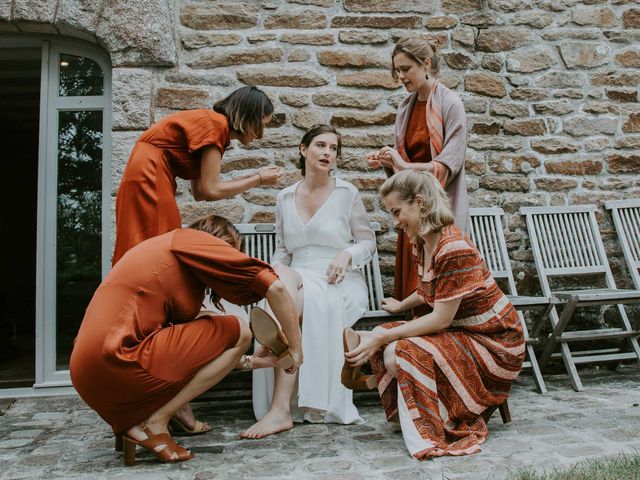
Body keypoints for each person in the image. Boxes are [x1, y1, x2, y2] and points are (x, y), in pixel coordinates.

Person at [70, 215, 302, 465]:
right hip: (118, 359)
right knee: (240, 329)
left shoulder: (168, 261)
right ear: (221, 243)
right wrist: (296, 350)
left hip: (88, 376)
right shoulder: (193, 240)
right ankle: (155, 422)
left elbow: (197, 353)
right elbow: (276, 288)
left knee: (216, 323)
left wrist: (251, 361)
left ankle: (140, 425)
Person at [344, 170, 524, 460]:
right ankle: (375, 350)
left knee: (399, 349)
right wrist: (401, 306)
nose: (395, 222)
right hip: (466, 333)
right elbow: (432, 289)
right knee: (390, 339)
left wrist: (384, 335)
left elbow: (441, 319)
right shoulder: (423, 243)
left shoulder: (452, 248)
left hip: (495, 344)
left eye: (397, 212)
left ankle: (429, 424)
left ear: (420, 203)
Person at [241, 125, 375, 439]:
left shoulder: (346, 193)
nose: (327, 152)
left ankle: (278, 384)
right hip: (296, 276)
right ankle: (284, 396)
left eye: (333, 148)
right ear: (304, 150)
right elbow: (283, 251)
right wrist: (273, 272)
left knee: (285, 297)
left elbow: (367, 243)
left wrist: (346, 254)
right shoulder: (285, 196)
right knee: (283, 283)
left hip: (335, 278)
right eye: (320, 145)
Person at [112, 85, 282, 266]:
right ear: (249, 117)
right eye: (263, 124)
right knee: (158, 240)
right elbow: (211, 190)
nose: (262, 135)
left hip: (147, 170)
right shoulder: (216, 125)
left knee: (154, 239)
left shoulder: (213, 127)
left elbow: (200, 192)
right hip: (150, 172)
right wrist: (258, 179)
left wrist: (256, 176)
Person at [367, 34, 469, 312]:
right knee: (412, 286)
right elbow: (404, 163)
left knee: (435, 289)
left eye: (405, 69)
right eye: (397, 70)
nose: (400, 76)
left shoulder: (451, 104)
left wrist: (401, 165)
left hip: (436, 211)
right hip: (410, 211)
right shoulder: (405, 107)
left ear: (425, 64)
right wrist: (389, 161)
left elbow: (448, 166)